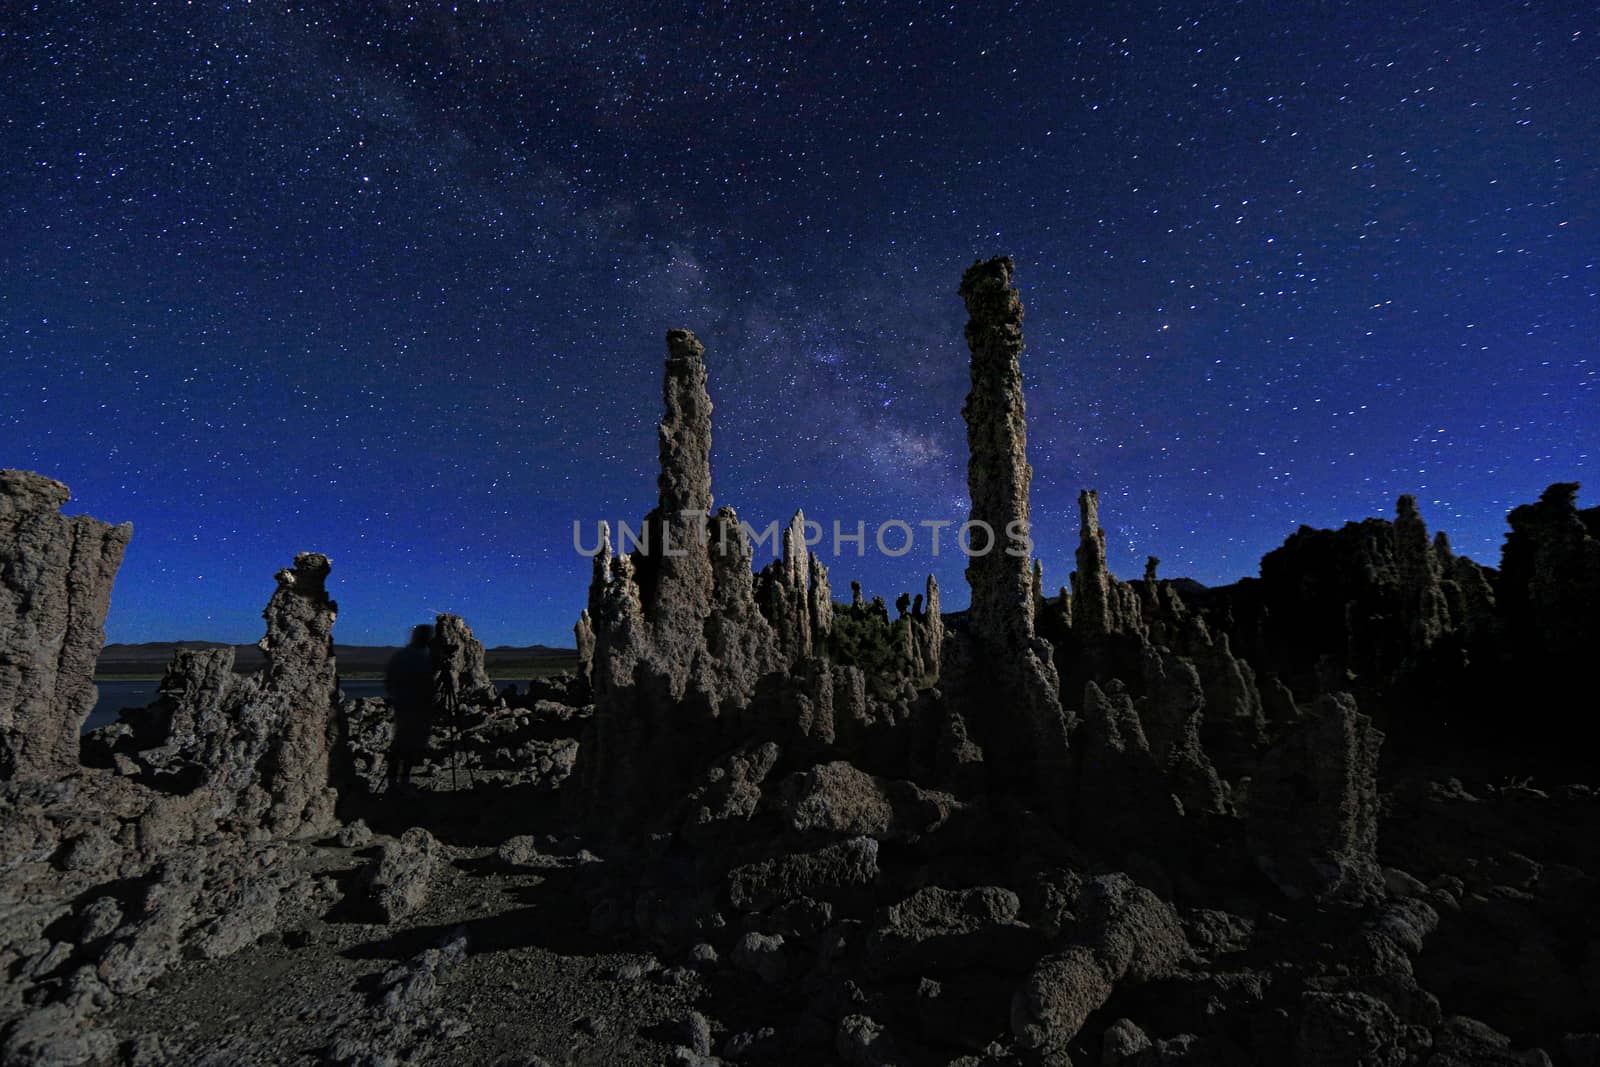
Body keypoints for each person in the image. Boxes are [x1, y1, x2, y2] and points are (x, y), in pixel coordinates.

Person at [384, 624, 435, 791]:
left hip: (405, 705)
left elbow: (389, 683)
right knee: (405, 744)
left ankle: (396, 781)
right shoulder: (422, 658)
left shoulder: (402, 656)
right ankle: (399, 781)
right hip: (414, 706)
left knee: (404, 743)